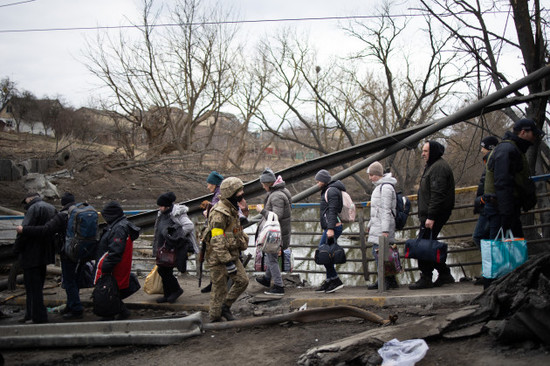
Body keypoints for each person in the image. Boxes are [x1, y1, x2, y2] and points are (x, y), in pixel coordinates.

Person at [16, 192, 85, 320]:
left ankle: (73, 309)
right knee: (70, 281)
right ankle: (70, 306)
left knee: (64, 282)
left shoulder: (39, 210)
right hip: (62, 252)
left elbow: (44, 230)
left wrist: (22, 232)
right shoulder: (62, 210)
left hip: (41, 253)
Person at [483, 118, 542, 240]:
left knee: (508, 247)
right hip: (502, 209)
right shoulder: (508, 149)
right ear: (523, 132)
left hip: (505, 208)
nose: (535, 137)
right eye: (534, 133)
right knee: (501, 249)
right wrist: (506, 214)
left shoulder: (512, 148)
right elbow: (502, 182)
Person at [409, 141, 455, 290]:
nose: (423, 154)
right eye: (422, 151)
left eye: (426, 151)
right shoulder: (433, 166)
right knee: (428, 244)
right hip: (430, 214)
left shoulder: (438, 168)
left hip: (434, 214)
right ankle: (444, 274)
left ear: (433, 151)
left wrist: (431, 216)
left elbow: (437, 194)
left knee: (424, 245)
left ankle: (427, 277)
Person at [205, 177, 249, 322]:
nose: (242, 193)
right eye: (239, 191)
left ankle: (225, 306)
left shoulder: (232, 208)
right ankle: (214, 318)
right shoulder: (219, 212)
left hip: (232, 254)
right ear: (231, 193)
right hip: (218, 258)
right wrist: (228, 262)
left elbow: (235, 231)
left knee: (242, 281)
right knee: (219, 289)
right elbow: (217, 240)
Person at [12, 192, 56, 324]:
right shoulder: (51, 208)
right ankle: (31, 314)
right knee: (38, 287)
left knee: (32, 288)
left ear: (29, 199)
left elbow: (24, 231)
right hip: (45, 254)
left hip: (31, 254)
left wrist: (16, 249)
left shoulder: (33, 208)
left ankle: (36, 316)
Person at [95, 201, 140, 320]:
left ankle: (109, 314)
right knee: (114, 289)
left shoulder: (118, 228)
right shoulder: (120, 225)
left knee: (110, 288)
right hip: (118, 265)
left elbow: (115, 251)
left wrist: (106, 266)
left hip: (114, 266)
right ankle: (121, 311)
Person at [254, 168, 292, 296]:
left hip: (275, 235)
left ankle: (278, 286)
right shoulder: (282, 191)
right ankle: (266, 279)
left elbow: (277, 215)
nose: (262, 186)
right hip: (280, 233)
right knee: (272, 257)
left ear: (268, 183)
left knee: (272, 259)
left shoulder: (276, 195)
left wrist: (262, 211)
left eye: (263, 184)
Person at [365, 162, 399, 290]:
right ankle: (388, 280)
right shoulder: (380, 187)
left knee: (380, 254)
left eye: (372, 175)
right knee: (382, 254)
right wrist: (370, 224)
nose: (370, 178)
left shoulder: (385, 188)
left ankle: (384, 281)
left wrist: (385, 230)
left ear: (378, 174)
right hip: (378, 225)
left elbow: (385, 210)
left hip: (382, 227)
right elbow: (377, 210)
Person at [152, 192, 187, 304]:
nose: (159, 208)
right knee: (163, 270)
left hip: (170, 248)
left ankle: (176, 290)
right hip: (162, 247)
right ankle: (168, 294)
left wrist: (175, 236)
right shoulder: (161, 214)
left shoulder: (175, 214)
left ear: (167, 206)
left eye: (161, 206)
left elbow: (188, 226)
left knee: (165, 270)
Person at [314, 169, 345, 294]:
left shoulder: (331, 191)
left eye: (318, 181)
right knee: (326, 253)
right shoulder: (329, 190)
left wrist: (330, 228)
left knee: (324, 252)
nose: (317, 183)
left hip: (333, 227)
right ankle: (329, 280)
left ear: (324, 181)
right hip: (332, 226)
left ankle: (335, 279)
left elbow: (332, 210)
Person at [200, 170, 224, 294]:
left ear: (214, 184)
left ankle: (215, 285)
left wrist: (207, 213)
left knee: (215, 258)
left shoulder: (218, 195)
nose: (207, 186)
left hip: (217, 232)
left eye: (209, 183)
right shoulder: (218, 194)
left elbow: (217, 214)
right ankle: (214, 283)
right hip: (218, 231)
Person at [472, 136, 499, 248]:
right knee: (488, 238)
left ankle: (492, 262)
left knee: (479, 237)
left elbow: (491, 185)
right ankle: (492, 262)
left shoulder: (493, 162)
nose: (481, 150)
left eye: (483, 147)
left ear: (489, 148)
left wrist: (483, 199)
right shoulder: (491, 161)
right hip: (487, 205)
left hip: (489, 206)